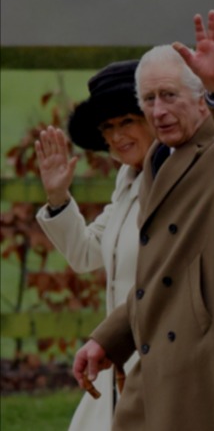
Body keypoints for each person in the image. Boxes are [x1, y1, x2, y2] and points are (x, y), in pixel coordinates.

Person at [71, 10, 214, 430]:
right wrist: (108, 338)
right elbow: (157, 276)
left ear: (199, 98)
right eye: (148, 100)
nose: (157, 111)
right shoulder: (158, 159)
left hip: (198, 362)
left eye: (169, 95)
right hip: (150, 356)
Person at [35, 59, 153, 431]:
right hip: (114, 350)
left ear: (152, 119)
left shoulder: (175, 180)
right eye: (108, 127)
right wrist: (57, 197)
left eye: (127, 122)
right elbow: (86, 254)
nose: (117, 136)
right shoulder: (127, 180)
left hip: (159, 352)